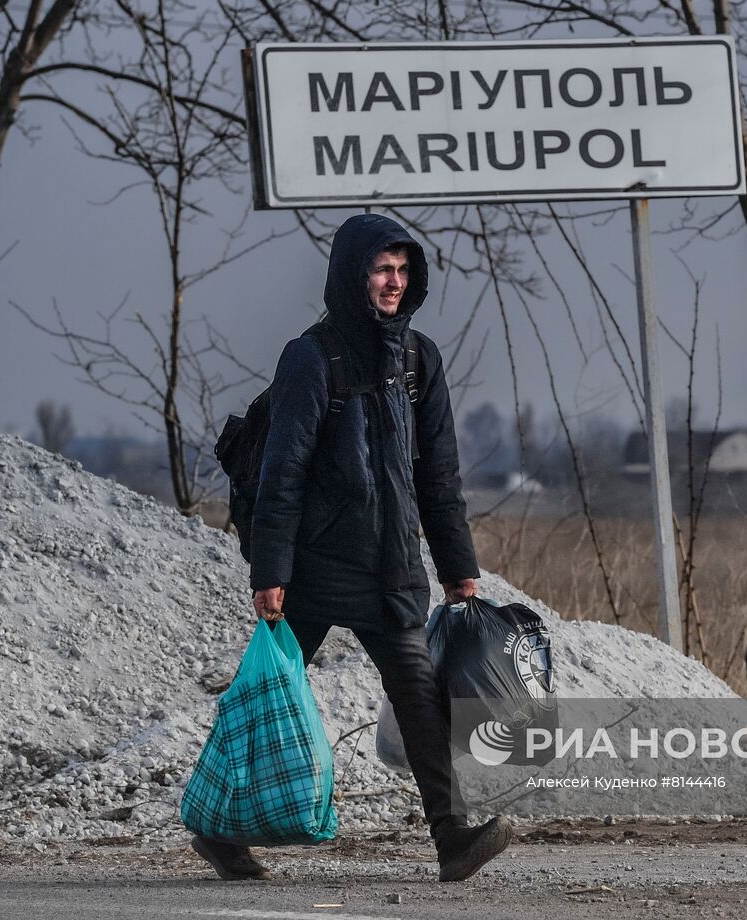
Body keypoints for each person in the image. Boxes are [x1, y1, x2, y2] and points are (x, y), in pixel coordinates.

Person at [192, 213, 512, 883]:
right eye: (380, 270)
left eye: (401, 270)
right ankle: (218, 828)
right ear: (352, 275)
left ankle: (451, 837)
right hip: (311, 568)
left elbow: (438, 475)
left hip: (390, 565)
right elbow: (284, 471)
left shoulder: (419, 359)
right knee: (267, 690)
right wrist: (271, 568)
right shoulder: (311, 357)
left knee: (419, 695)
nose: (392, 282)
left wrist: (458, 568)